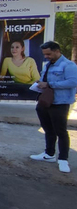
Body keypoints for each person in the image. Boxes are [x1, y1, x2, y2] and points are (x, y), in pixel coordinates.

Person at [30, 41, 77, 173]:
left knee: (61, 131)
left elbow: (73, 81)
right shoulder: (48, 65)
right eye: (45, 54)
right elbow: (44, 80)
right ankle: (49, 154)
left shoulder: (68, 65)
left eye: (49, 54)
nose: (47, 56)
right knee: (48, 129)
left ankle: (63, 159)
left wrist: (49, 84)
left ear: (57, 51)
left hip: (59, 103)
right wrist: (40, 83)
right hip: (45, 102)